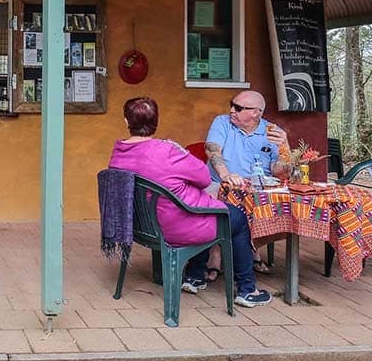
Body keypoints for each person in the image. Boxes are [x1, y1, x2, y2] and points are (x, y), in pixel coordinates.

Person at [107, 96, 272, 307]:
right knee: (236, 218)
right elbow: (203, 178)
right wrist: (180, 151)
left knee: (204, 211)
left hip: (143, 226)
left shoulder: (119, 152)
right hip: (177, 227)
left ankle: (195, 276)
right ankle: (247, 290)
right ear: (156, 121)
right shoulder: (166, 151)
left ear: (126, 121)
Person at [204, 89, 292, 277]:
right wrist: (226, 175)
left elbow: (279, 171)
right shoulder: (222, 122)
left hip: (256, 188)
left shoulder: (271, 132)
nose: (231, 110)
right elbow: (212, 150)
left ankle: (252, 248)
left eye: (238, 108)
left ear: (256, 113)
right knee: (214, 200)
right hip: (218, 182)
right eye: (232, 105)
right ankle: (215, 253)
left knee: (268, 204)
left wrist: (285, 148)